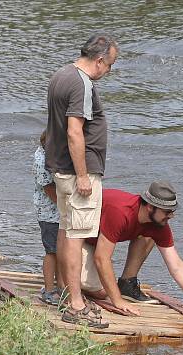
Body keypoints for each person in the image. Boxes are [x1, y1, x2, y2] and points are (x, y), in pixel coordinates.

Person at [44, 34, 119, 327]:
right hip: (76, 172)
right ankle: (76, 304)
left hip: (61, 168)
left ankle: (66, 292)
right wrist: (83, 176)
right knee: (76, 234)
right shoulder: (81, 83)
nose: (109, 71)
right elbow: (75, 131)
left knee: (66, 229)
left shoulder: (61, 74)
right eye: (109, 65)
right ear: (99, 60)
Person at [79, 181, 183, 318]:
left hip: (100, 241)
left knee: (150, 235)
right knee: (102, 292)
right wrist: (117, 301)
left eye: (172, 211)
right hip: (81, 239)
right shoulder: (121, 212)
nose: (171, 216)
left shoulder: (159, 224)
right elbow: (101, 258)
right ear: (150, 207)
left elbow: (176, 266)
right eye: (167, 211)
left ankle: (127, 284)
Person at [32, 130, 64, 305]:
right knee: (52, 251)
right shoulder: (42, 161)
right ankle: (49, 290)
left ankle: (60, 286)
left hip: (54, 211)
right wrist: (66, 207)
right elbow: (49, 189)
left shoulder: (45, 154)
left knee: (59, 251)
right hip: (48, 212)